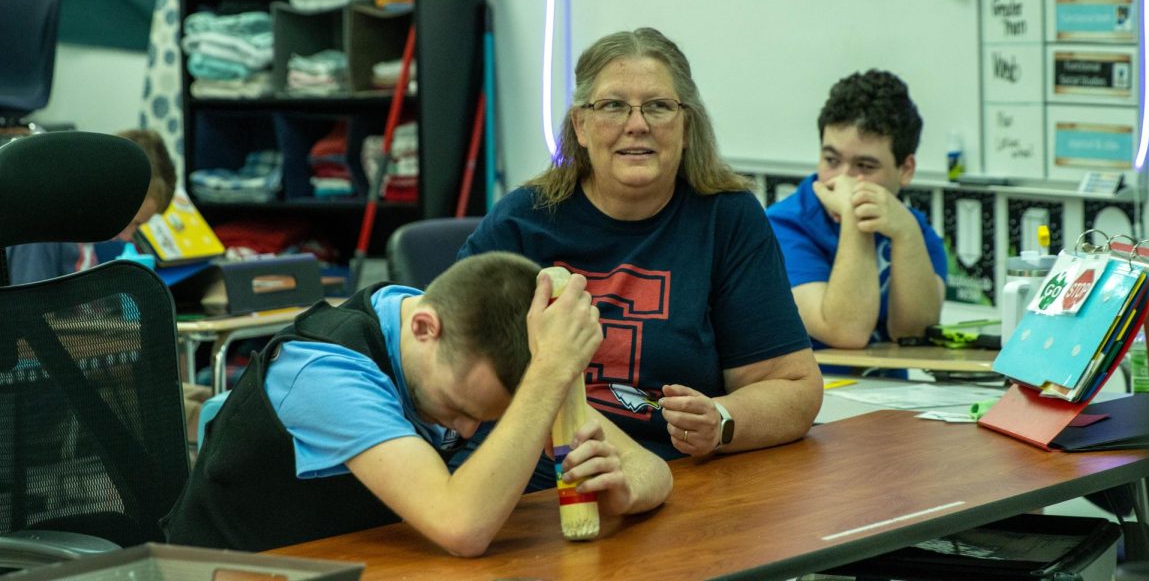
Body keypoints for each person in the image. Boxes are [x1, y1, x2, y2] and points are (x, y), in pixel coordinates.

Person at [453, 27, 822, 484]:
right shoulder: (522, 220)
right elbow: (450, 363)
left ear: (687, 126)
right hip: (533, 480)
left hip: (671, 483)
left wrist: (722, 420)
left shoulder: (727, 219)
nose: (637, 124)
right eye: (612, 105)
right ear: (580, 127)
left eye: (659, 106)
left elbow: (794, 387)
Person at [162, 251, 672, 555]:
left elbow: (653, 468)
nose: (467, 433)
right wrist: (548, 377)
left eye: (486, 417)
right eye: (457, 409)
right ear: (424, 328)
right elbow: (461, 527)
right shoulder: (322, 371)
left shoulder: (463, 348)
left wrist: (622, 491)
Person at [766, 70, 947, 351]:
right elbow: (844, 332)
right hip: (815, 389)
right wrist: (854, 217)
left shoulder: (912, 228)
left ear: (906, 169)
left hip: (889, 391)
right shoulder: (782, 226)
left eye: (865, 166)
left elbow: (914, 335)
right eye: (831, 160)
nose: (843, 180)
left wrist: (907, 234)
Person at [4, 128, 176, 284]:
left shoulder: (85, 237)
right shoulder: (41, 236)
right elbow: (31, 313)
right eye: (131, 222)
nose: (127, 237)